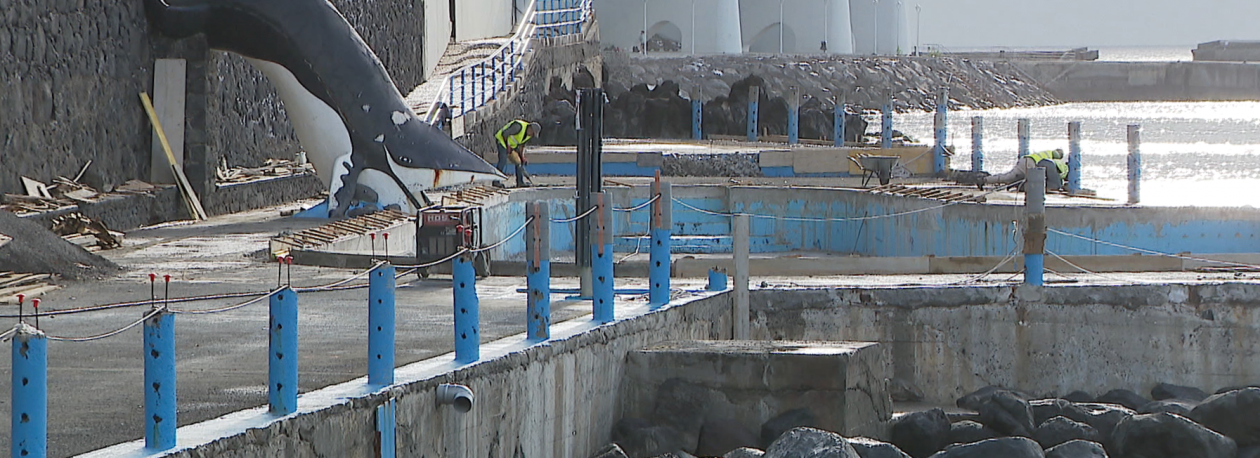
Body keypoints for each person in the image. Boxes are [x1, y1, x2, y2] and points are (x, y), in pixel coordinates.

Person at [969, 148, 1068, 191]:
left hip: (1025, 160)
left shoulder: (1046, 153)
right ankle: (1015, 184)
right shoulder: (1052, 158)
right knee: (1032, 183)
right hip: (1031, 163)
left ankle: (985, 180)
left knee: (1008, 176)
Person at [494, 120, 540, 187]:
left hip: (512, 145)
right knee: (503, 160)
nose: (532, 135)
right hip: (502, 141)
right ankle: (496, 181)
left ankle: (520, 182)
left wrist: (522, 157)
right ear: (530, 128)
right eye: (532, 133)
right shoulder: (518, 127)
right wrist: (508, 146)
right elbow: (504, 134)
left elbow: (521, 146)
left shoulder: (528, 136)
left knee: (519, 162)